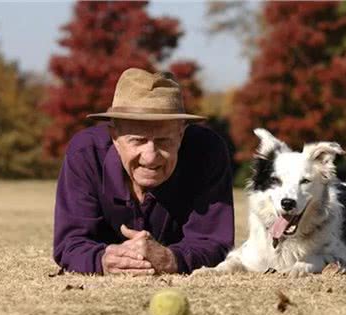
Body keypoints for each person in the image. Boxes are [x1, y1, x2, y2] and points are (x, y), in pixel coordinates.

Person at [53, 68, 234, 275]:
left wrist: (171, 259)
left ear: (181, 134)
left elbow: (215, 244)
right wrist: (102, 259)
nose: (150, 156)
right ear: (115, 137)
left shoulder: (208, 151)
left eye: (164, 141)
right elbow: (69, 244)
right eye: (138, 140)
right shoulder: (85, 153)